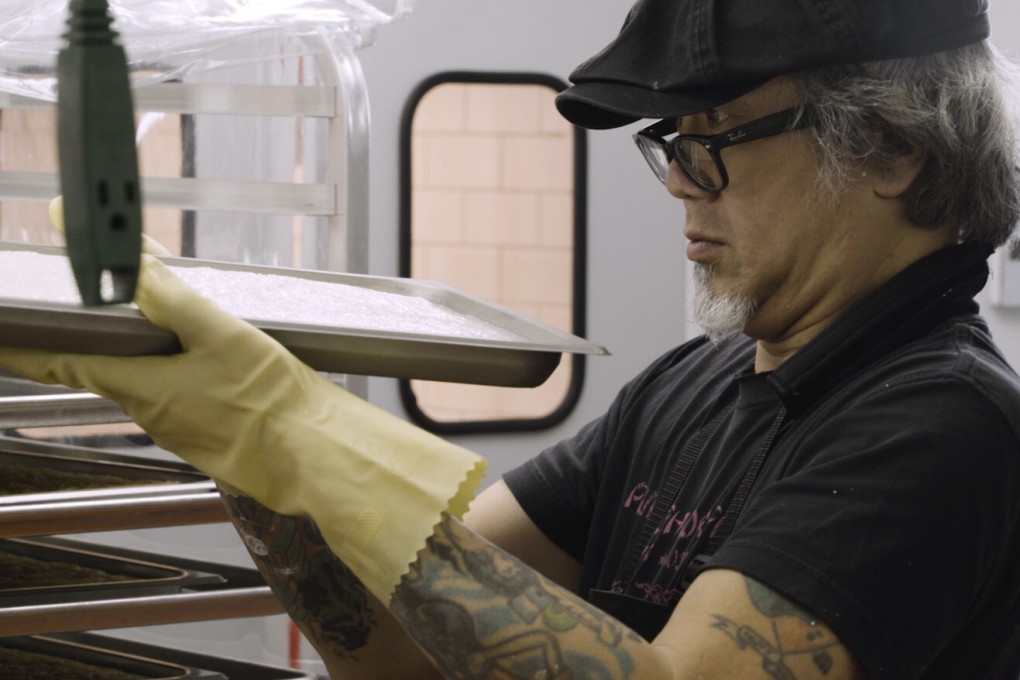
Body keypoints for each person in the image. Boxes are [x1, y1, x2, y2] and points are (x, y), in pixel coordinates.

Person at [3, 0, 1020, 677]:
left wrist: (298, 432)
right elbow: (398, 640)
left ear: (889, 147)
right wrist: (238, 425)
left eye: (714, 140)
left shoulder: (943, 425)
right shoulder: (696, 384)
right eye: (670, 145)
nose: (676, 180)